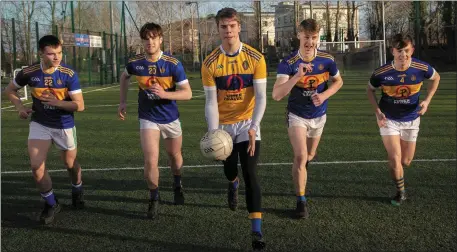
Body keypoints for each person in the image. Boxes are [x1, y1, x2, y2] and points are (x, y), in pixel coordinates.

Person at [201, 7, 267, 251]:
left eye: (232, 26)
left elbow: (261, 97)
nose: (228, 31)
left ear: (239, 27)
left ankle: (256, 231)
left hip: (249, 123)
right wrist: (213, 132)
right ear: (217, 29)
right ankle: (232, 182)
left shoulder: (256, 58)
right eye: (223, 27)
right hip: (224, 126)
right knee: (230, 170)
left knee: (251, 173)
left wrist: (254, 126)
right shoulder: (210, 63)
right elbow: (210, 102)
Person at [4, 35, 85, 224]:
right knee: (36, 165)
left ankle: (77, 187)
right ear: (41, 53)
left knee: (70, 164)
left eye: (59, 53)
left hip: (64, 125)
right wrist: (20, 108)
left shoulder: (68, 74)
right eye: (51, 54)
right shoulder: (30, 72)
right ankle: (51, 203)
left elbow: (79, 106)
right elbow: (9, 90)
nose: (57, 57)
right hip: (40, 123)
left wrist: (57, 103)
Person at [118, 22, 192, 219]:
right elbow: (124, 77)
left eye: (153, 38)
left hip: (170, 117)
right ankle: (154, 198)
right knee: (150, 159)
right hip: (148, 117)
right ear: (143, 41)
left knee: (174, 156)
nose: (150, 42)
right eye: (146, 38)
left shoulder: (173, 64)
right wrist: (123, 102)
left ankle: (177, 183)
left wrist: (165, 94)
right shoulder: (135, 63)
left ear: (160, 40)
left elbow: (188, 94)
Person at [272, 19, 343, 219]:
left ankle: (301, 168)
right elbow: (277, 95)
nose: (310, 42)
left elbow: (338, 82)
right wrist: (296, 77)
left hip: (319, 116)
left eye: (314, 38)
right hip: (297, 116)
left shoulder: (327, 60)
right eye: (306, 37)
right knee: (301, 156)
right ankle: (301, 202)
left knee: (310, 155)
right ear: (299, 36)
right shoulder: (288, 63)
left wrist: (324, 95)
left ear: (318, 37)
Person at [366, 34, 440, 206]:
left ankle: (396, 169)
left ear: (412, 50)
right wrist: (377, 112)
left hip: (412, 119)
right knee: (394, 158)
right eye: (399, 51)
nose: (403, 55)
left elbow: (436, 78)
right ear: (393, 51)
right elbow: (370, 90)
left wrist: (427, 101)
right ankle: (401, 192)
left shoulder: (421, 68)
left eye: (406, 51)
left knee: (405, 161)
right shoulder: (381, 72)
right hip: (388, 119)